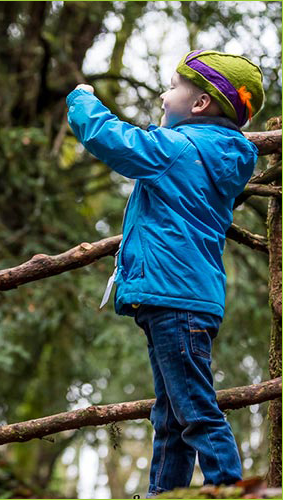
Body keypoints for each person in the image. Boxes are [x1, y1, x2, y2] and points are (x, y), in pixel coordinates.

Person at [66, 49, 265, 497]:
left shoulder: (177, 150)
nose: (162, 93)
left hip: (173, 297)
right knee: (172, 412)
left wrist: (82, 100)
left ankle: (228, 488)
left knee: (192, 407)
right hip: (183, 299)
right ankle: (165, 492)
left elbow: (112, 138)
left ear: (199, 105)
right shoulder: (219, 157)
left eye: (174, 87)